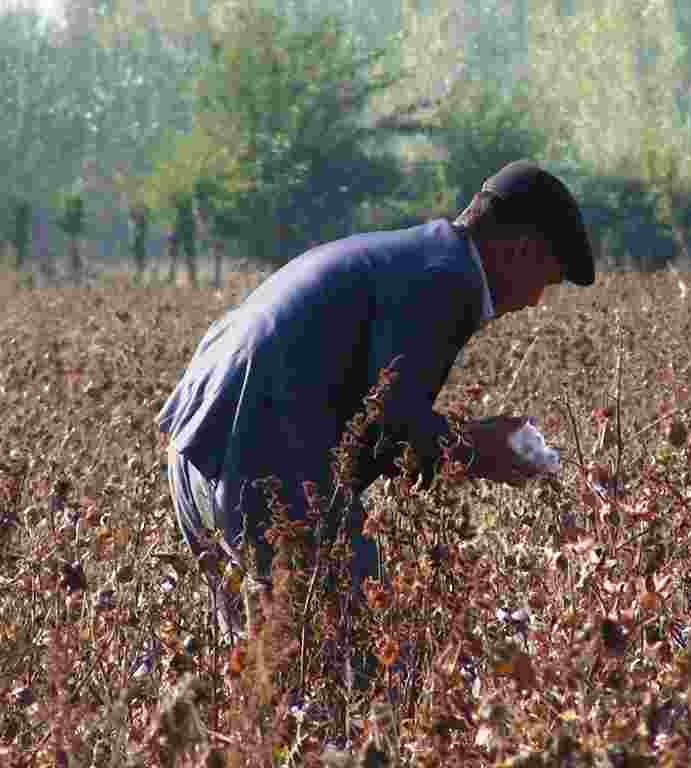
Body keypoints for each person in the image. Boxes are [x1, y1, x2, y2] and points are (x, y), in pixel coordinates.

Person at [156, 159, 595, 637]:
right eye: (545, 282)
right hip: (260, 456)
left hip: (198, 449)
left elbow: (368, 427)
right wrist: (476, 446)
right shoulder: (446, 279)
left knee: (269, 676)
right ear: (521, 250)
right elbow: (390, 428)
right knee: (356, 661)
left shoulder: (411, 258)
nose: (534, 302)